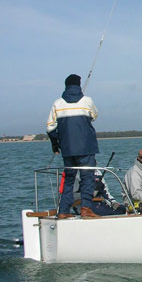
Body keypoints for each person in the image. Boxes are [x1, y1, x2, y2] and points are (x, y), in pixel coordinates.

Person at [47, 73, 100, 219]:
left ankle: (63, 211)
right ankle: (86, 209)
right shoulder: (87, 101)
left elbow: (50, 128)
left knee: (69, 179)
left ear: (66, 86)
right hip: (86, 147)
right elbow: (95, 116)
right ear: (78, 85)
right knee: (87, 179)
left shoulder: (57, 103)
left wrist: (55, 145)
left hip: (67, 149)